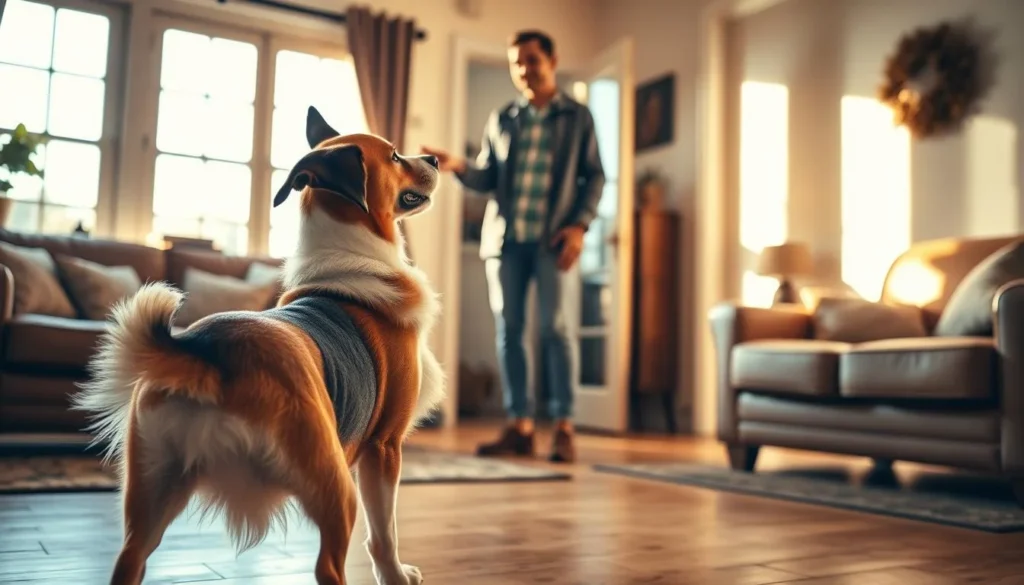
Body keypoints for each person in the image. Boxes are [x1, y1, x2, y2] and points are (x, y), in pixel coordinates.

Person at [422, 30, 605, 463]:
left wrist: (579, 226)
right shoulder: (503, 117)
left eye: (531, 59)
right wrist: (458, 167)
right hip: (505, 242)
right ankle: (520, 426)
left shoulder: (578, 118)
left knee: (555, 330)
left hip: (553, 241)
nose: (523, 69)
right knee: (510, 333)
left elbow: (594, 177)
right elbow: (488, 177)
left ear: (552, 60)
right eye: (516, 62)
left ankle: (562, 427)